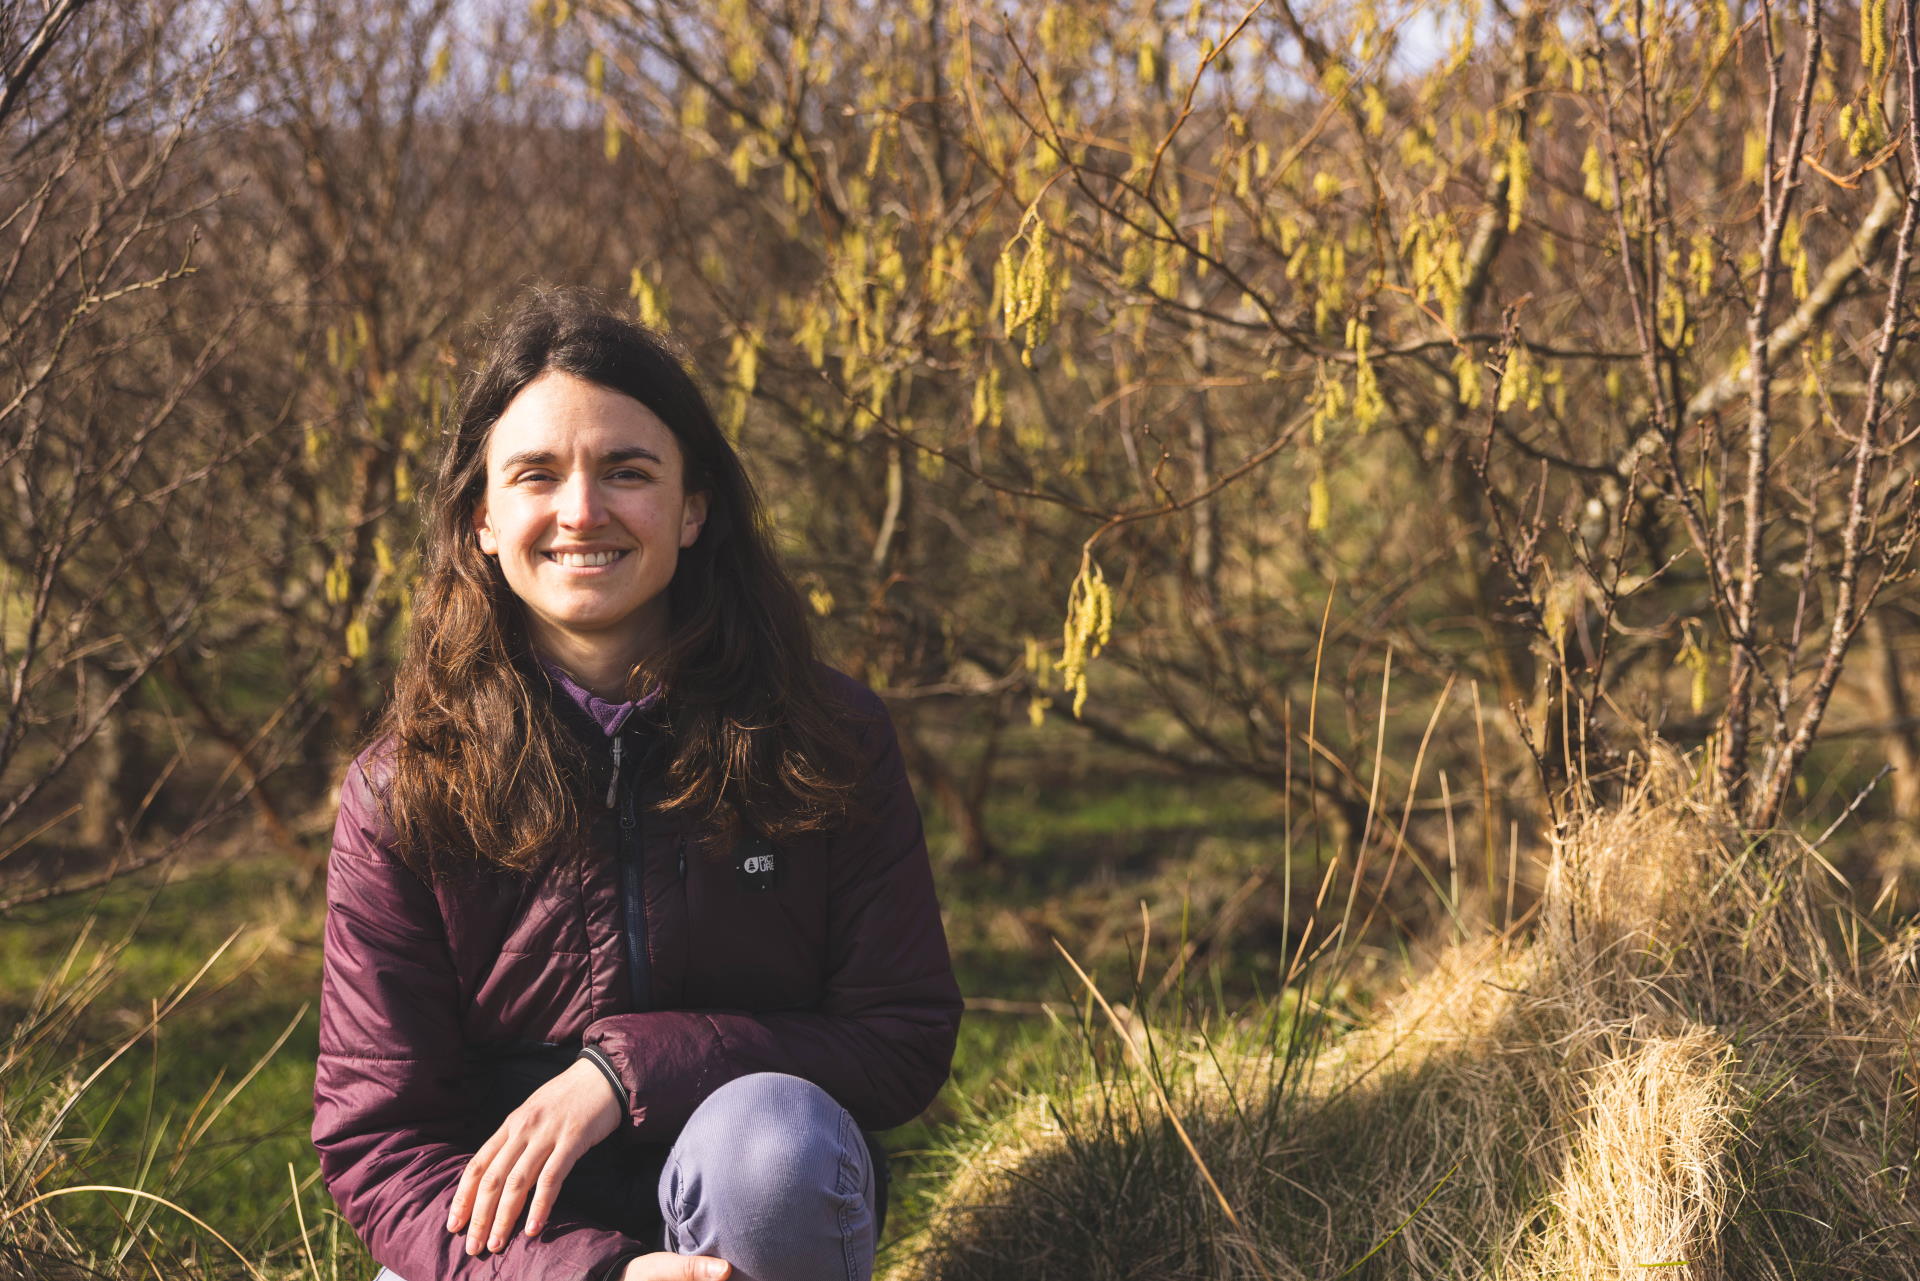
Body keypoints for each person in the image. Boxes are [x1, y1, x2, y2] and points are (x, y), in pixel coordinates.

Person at [312, 288, 963, 1281]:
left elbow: (902, 1039)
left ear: (693, 508)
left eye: (626, 471)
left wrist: (627, 1073)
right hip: (516, 1251)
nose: (582, 511)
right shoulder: (402, 790)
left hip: (752, 1204)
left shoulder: (828, 736)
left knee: (776, 1149)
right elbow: (379, 1142)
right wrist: (599, 1275)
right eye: (536, 475)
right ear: (482, 518)